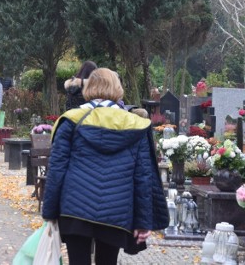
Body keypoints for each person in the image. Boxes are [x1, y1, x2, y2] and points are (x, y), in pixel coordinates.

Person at [42, 68, 168, 265]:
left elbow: (57, 169)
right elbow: (143, 177)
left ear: (89, 88)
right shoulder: (137, 125)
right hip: (116, 211)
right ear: (118, 89)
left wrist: (49, 212)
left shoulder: (70, 121)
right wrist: (143, 222)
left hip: (75, 207)